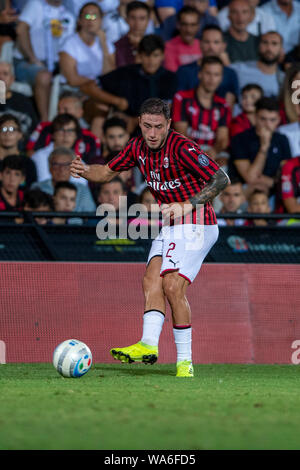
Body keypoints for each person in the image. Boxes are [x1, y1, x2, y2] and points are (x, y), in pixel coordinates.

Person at [70, 97, 229, 377]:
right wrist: (85, 171)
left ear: (168, 124)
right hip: (172, 224)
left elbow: (220, 179)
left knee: (172, 286)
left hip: (198, 222)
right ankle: (148, 345)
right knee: (151, 279)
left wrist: (186, 205)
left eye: (158, 126)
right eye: (146, 126)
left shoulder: (182, 147)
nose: (152, 133)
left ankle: (184, 363)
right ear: (139, 124)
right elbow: (106, 172)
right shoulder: (136, 147)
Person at [96, 34, 178, 134]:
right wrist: (117, 101)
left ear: (162, 56)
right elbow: (92, 86)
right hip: (125, 133)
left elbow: (163, 111)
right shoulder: (126, 73)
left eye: (155, 55)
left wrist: (134, 121)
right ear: (139, 55)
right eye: (147, 55)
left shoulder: (170, 78)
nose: (151, 61)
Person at [13, 0, 76, 121]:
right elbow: (21, 29)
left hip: (55, 64)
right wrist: (32, 57)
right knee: (45, 76)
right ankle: (45, 122)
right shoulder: (36, 4)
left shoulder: (68, 14)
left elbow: (69, 45)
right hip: (25, 61)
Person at [172, 56, 231, 162]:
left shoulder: (223, 105)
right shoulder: (182, 98)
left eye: (216, 75)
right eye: (208, 73)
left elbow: (223, 139)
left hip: (212, 153)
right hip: (187, 151)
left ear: (221, 78)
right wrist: (198, 155)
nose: (212, 79)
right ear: (200, 74)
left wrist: (213, 151)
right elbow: (181, 135)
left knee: (224, 160)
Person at [229, 97, 292, 195]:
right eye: (263, 119)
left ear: (279, 119)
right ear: (255, 117)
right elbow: (250, 178)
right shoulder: (240, 139)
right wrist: (264, 147)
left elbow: (286, 174)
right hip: (244, 192)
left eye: (272, 120)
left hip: (275, 191)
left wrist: (271, 182)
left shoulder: (282, 139)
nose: (267, 124)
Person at [26, 93, 102, 164]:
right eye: (59, 109)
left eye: (66, 109)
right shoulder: (44, 128)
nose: (61, 113)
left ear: (80, 112)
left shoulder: (91, 138)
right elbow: (30, 152)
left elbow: (94, 165)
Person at [176, 25, 239, 108]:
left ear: (223, 46)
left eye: (216, 42)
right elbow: (179, 103)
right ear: (200, 43)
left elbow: (229, 109)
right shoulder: (184, 71)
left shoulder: (231, 74)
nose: (211, 47)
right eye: (207, 42)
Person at [59, 1, 115, 87]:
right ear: (79, 20)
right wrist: (97, 80)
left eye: (94, 16)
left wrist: (104, 45)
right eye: (87, 16)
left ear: (101, 21)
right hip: (75, 90)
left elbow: (110, 74)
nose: (90, 20)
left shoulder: (107, 44)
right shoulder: (69, 44)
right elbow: (73, 80)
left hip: (100, 89)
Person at [30, 113, 100, 182]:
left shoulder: (81, 164)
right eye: (61, 130)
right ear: (53, 134)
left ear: (76, 136)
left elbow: (81, 188)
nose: (65, 135)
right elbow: (44, 185)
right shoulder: (39, 157)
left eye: (70, 131)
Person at [31, 147, 96, 212]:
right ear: (49, 167)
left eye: (66, 165)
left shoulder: (82, 190)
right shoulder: (38, 188)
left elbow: (90, 216)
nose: (61, 169)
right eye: (56, 164)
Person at [230, 31, 285, 98]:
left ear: (281, 49)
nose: (269, 48)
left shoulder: (284, 79)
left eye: (274, 43)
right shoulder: (239, 69)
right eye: (265, 42)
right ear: (259, 46)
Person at [0, 60, 39, 139]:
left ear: (12, 79)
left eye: (5, 74)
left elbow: (33, 131)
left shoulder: (24, 102)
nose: (1, 77)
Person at [0, 113, 37, 188]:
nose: (7, 134)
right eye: (3, 129)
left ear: (20, 134)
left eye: (12, 129)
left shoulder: (28, 163)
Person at [163, 6, 202, 72]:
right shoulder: (168, 47)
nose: (188, 30)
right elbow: (174, 76)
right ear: (178, 25)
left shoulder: (204, 45)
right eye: (184, 24)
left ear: (198, 26)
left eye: (193, 25)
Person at [114, 1, 151, 68]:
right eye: (133, 18)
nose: (137, 23)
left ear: (148, 21)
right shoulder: (118, 46)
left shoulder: (155, 45)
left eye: (142, 18)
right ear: (126, 19)